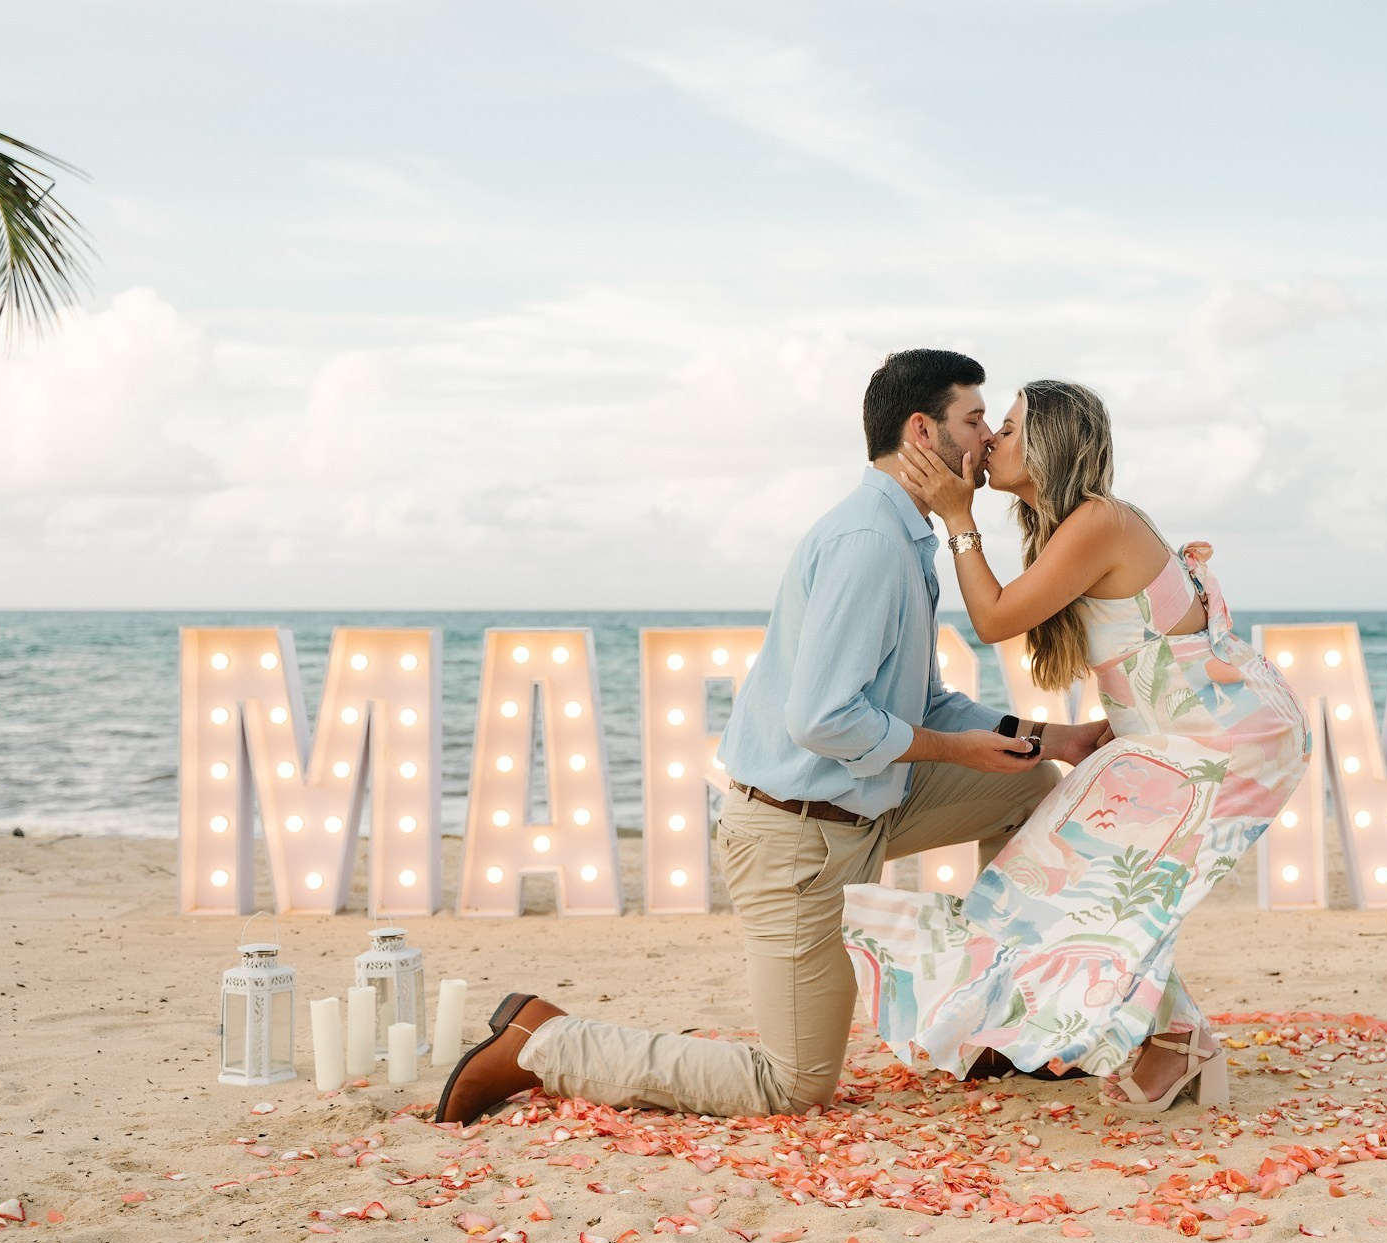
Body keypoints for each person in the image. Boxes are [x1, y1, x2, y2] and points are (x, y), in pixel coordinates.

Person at [435, 350, 1111, 1124]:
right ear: (922, 432)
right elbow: (822, 721)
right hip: (797, 837)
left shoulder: (907, 537)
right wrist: (955, 750)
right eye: (973, 419)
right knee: (791, 1086)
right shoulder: (870, 544)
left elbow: (925, 701)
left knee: (1026, 785)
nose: (988, 436)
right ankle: (543, 1040)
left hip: (867, 806)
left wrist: (1058, 738)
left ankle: (1000, 1022)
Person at [841, 380, 1312, 1114]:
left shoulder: (1099, 519)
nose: (990, 440)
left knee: (1119, 882)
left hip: (1227, 734)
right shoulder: (1074, 527)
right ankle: (1167, 1039)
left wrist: (960, 519)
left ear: (1050, 443)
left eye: (1008, 426)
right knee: (1075, 875)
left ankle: (1180, 1042)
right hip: (1169, 734)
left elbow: (994, 620)